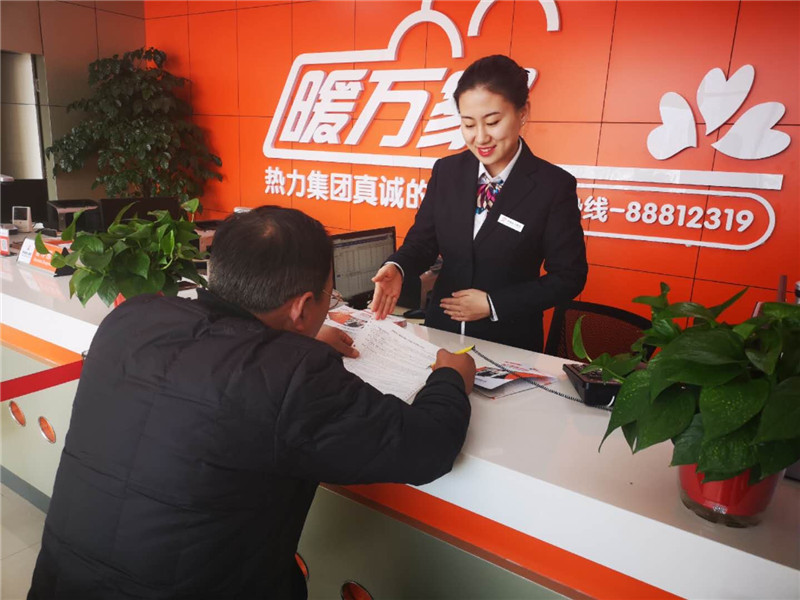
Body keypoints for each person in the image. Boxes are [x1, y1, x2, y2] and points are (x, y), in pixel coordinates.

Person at [28, 206, 475, 600]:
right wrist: (451, 376)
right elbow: (428, 446)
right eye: (329, 297)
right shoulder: (295, 375)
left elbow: (214, 358)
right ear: (302, 307)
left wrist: (289, 341)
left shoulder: (131, 320)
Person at [371, 55, 588, 352]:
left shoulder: (553, 186)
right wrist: (397, 267)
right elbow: (423, 243)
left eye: (493, 122)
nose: (481, 137)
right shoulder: (447, 172)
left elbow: (569, 277)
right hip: (442, 334)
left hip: (510, 341)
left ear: (523, 113)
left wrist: (493, 303)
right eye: (469, 124)